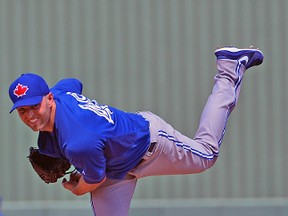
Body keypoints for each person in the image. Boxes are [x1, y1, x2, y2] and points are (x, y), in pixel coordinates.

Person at [9, 46, 263, 216]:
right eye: (22, 111)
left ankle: (229, 69)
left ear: (49, 98)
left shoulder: (79, 142)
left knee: (206, 155)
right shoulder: (63, 94)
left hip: (149, 144)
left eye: (34, 106)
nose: (30, 115)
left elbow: (93, 180)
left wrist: (77, 186)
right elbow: (73, 83)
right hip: (115, 168)